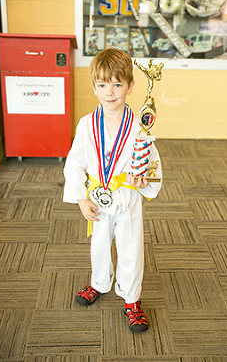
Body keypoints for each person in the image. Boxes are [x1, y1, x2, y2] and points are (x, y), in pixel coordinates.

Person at [63, 48, 162, 333]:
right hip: (97, 195)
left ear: (130, 87)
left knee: (131, 248)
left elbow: (151, 162)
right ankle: (99, 283)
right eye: (103, 85)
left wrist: (145, 180)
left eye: (118, 84)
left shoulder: (140, 126)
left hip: (127, 195)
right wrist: (80, 197)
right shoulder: (86, 125)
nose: (110, 92)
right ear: (94, 87)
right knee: (99, 245)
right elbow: (74, 163)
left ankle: (132, 299)